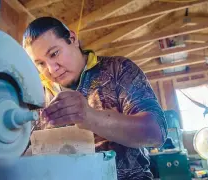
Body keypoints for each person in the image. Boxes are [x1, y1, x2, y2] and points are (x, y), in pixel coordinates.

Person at [23, 17, 167, 180]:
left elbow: (157, 132)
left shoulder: (118, 69)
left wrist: (90, 117)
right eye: (41, 64)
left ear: (72, 38)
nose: (51, 69)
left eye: (54, 53)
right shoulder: (36, 97)